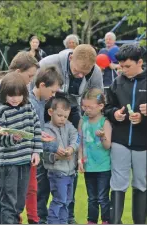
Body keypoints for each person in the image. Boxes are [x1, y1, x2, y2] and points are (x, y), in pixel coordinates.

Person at [37, 44, 103, 224]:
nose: (80, 75)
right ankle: (41, 217)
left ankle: (68, 215)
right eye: (77, 71)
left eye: (85, 72)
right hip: (46, 110)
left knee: (69, 165)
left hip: (72, 110)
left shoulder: (95, 72)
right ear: (71, 57)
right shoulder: (49, 63)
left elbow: (98, 98)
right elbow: (34, 93)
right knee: (44, 166)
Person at [0, 51, 39, 224]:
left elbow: (33, 124)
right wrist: (11, 137)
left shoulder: (24, 99)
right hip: (5, 155)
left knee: (18, 196)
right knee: (4, 195)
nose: (31, 80)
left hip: (23, 155)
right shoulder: (0, 92)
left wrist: (34, 144)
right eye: (29, 75)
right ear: (18, 71)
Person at [104, 44, 146, 224]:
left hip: (143, 143)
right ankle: (115, 222)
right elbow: (107, 108)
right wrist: (114, 114)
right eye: (121, 66)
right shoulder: (116, 82)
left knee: (141, 183)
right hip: (120, 141)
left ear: (140, 62)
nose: (123, 70)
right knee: (118, 183)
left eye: (127, 66)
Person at [27, 66, 64, 224]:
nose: (53, 96)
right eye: (53, 91)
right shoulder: (31, 102)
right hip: (27, 155)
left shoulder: (41, 101)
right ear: (42, 85)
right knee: (28, 192)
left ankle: (37, 218)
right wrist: (53, 146)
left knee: (34, 190)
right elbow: (30, 132)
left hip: (36, 153)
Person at [42, 97, 79, 224]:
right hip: (57, 172)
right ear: (50, 112)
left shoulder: (69, 126)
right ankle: (52, 222)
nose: (62, 119)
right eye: (60, 115)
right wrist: (57, 156)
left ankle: (63, 222)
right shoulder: (46, 130)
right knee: (59, 200)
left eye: (65, 116)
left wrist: (71, 148)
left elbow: (76, 138)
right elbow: (44, 153)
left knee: (67, 201)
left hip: (70, 172)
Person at [77, 88, 112, 224]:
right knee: (91, 197)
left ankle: (105, 220)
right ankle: (91, 220)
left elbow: (107, 146)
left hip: (103, 167)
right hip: (88, 166)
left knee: (103, 197)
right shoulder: (82, 121)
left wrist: (103, 136)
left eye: (90, 107)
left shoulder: (105, 123)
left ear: (101, 106)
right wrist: (79, 160)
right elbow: (80, 143)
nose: (86, 110)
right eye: (84, 106)